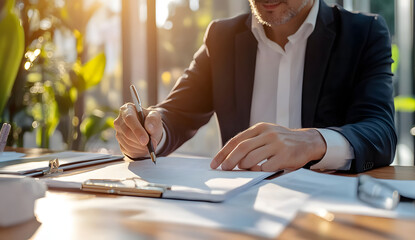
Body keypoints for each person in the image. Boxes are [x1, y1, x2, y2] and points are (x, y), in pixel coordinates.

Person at [114, 0, 397, 173]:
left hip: (327, 218)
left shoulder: (364, 33)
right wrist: (148, 133)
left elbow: (380, 132)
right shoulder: (222, 37)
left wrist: (313, 142)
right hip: (242, 216)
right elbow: (176, 114)